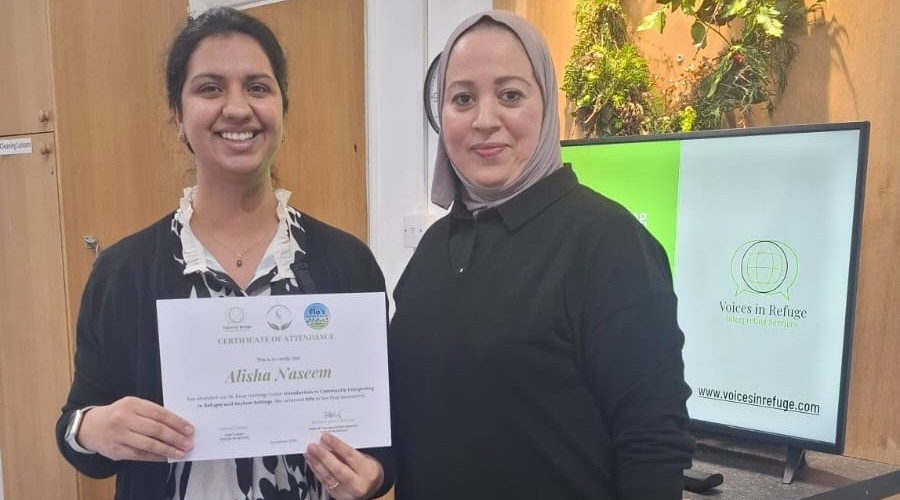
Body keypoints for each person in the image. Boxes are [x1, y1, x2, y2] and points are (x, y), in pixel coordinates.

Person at [55, 8, 393, 500]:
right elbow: (76, 431)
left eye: (257, 87)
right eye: (210, 88)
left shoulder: (348, 263)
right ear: (178, 115)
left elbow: (384, 440)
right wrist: (94, 429)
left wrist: (374, 476)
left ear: (282, 108)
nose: (237, 108)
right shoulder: (122, 272)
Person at [389, 10, 694, 500]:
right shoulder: (433, 247)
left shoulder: (610, 244)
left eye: (510, 95)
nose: (485, 120)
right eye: (462, 98)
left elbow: (653, 445)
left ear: (547, 103)